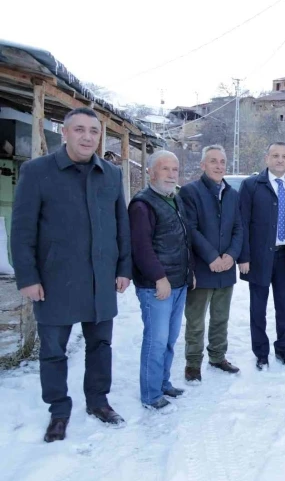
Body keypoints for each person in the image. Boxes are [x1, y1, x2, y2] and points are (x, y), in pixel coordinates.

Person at [11, 107, 131, 442]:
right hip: (54, 280)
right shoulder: (37, 172)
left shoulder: (110, 174)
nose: (87, 137)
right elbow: (21, 231)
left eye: (94, 131)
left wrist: (124, 268)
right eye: (79, 129)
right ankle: (59, 411)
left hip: (100, 279)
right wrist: (28, 277)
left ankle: (98, 401)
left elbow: (121, 226)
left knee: (101, 345)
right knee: (53, 351)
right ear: (64, 133)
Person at [129, 150, 194, 411]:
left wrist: (189, 273)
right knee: (155, 341)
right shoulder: (142, 204)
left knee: (169, 339)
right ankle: (151, 393)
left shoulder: (173, 199)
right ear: (151, 172)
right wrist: (159, 278)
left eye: (174, 170)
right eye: (165, 169)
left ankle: (164, 382)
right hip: (157, 286)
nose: (170, 174)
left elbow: (182, 240)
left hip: (178, 283)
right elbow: (141, 248)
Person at [238, 142, 285, 370]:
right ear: (266, 158)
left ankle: (283, 349)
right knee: (258, 309)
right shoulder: (251, 185)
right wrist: (243, 257)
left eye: (284, 156)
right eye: (276, 156)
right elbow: (242, 223)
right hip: (259, 257)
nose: (280, 160)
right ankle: (261, 353)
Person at [178, 145, 243, 383]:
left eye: (222, 162)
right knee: (195, 320)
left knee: (220, 317)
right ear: (203, 165)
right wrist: (212, 257)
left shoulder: (232, 194)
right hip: (202, 268)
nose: (218, 166)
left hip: (226, 268)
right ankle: (193, 363)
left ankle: (218, 356)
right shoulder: (189, 192)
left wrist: (231, 256)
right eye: (213, 161)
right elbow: (190, 229)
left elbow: (239, 227)